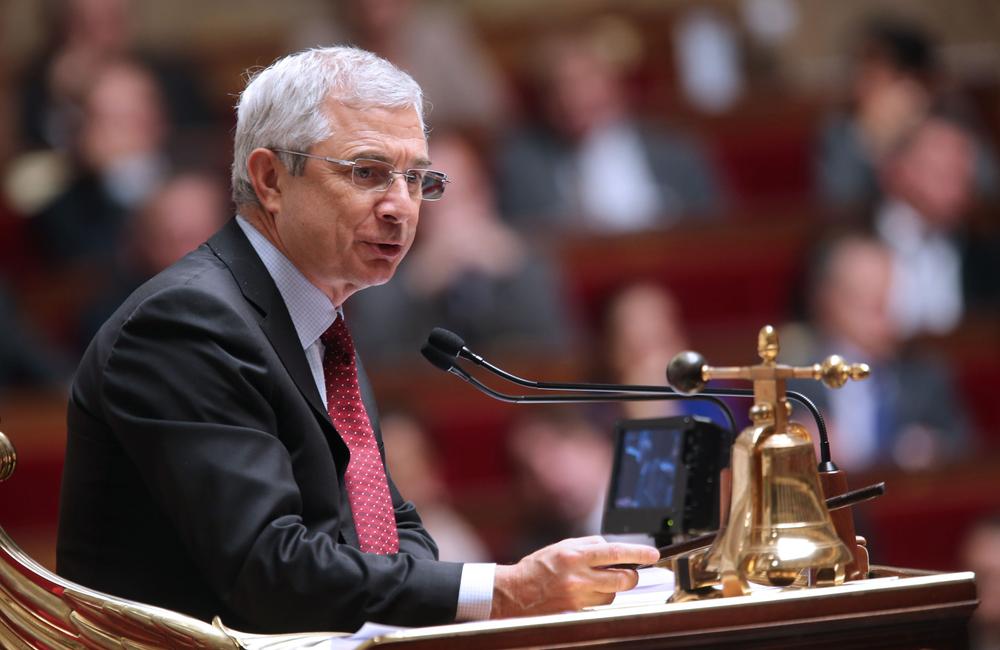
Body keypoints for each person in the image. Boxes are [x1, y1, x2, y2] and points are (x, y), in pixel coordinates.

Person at [55, 46, 658, 634]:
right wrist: (501, 591)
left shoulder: (318, 317)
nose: (401, 207)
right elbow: (269, 571)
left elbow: (389, 526)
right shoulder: (187, 324)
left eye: (416, 178)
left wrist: (456, 600)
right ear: (270, 179)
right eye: (367, 173)